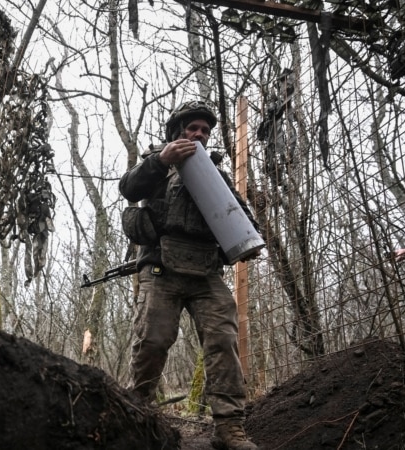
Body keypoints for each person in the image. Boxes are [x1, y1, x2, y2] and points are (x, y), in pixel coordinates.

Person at [119, 101, 261, 450]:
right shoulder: (156, 165)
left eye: (205, 131)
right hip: (161, 267)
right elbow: (129, 188)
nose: (199, 134)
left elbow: (241, 217)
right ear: (176, 131)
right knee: (152, 341)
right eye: (192, 128)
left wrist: (249, 240)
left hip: (206, 271)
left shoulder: (216, 176)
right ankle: (137, 419)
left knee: (223, 341)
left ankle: (229, 427)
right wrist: (160, 160)